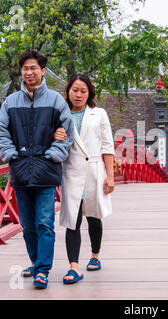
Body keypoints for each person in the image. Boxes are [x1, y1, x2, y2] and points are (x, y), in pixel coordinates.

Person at [0, 50, 74, 289]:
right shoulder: (11, 102)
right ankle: (35, 261)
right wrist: (12, 156)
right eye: (25, 68)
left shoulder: (55, 101)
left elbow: (67, 133)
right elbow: (1, 132)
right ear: (22, 72)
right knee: (27, 225)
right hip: (20, 171)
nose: (29, 72)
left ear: (42, 71)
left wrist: (52, 156)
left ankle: (42, 271)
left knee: (44, 223)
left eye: (33, 68)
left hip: (46, 172)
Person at [53, 72, 115, 284]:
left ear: (89, 93)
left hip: (94, 168)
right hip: (70, 171)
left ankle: (95, 255)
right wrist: (55, 136)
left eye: (83, 91)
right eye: (74, 90)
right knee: (73, 219)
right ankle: (73, 267)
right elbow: (52, 143)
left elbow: (107, 145)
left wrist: (110, 176)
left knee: (93, 215)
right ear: (67, 91)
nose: (78, 95)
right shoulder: (60, 115)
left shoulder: (99, 114)